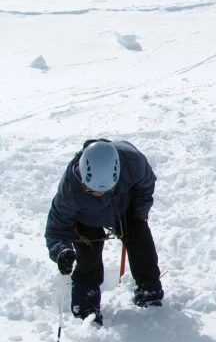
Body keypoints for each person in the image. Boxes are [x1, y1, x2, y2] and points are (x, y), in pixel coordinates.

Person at [45, 139, 164, 325]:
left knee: (141, 242)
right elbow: (56, 228)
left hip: (123, 208)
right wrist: (61, 252)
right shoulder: (70, 188)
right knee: (88, 254)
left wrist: (138, 213)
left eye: (105, 189)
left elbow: (146, 184)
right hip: (87, 218)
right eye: (89, 189)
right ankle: (86, 310)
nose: (96, 194)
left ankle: (150, 292)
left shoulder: (133, 161)